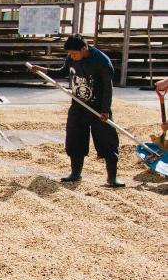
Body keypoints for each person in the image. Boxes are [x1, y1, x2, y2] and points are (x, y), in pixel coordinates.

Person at [31, 35, 123, 187]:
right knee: (75, 139)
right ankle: (75, 174)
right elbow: (62, 72)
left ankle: (112, 178)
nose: (71, 56)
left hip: (98, 109)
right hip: (78, 106)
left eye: (74, 54)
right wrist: (43, 70)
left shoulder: (102, 62)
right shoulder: (72, 57)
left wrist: (105, 111)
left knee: (108, 141)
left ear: (84, 49)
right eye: (70, 54)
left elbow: (108, 88)